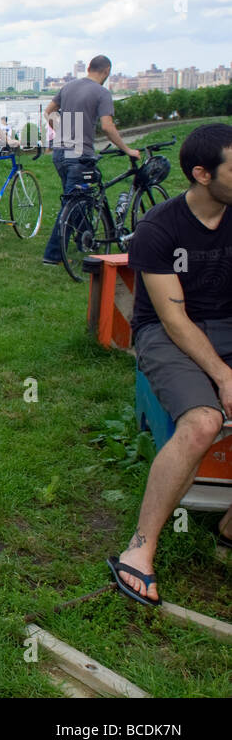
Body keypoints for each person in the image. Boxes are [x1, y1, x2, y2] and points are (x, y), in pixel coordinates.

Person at [109, 123, 232, 606]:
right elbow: (174, 319)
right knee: (203, 422)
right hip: (166, 332)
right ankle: (140, 548)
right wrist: (223, 377)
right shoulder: (159, 229)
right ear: (202, 174)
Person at [40, 54, 139, 265]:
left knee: (78, 197)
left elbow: (48, 112)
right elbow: (107, 126)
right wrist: (127, 149)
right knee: (72, 202)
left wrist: (61, 132)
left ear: (88, 68)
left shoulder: (68, 87)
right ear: (106, 72)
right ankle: (53, 255)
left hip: (59, 152)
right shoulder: (102, 93)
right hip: (80, 155)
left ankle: (84, 239)